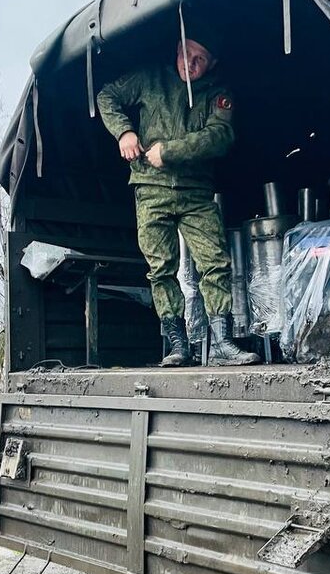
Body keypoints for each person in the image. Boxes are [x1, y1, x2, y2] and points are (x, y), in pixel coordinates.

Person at [97, 30, 260, 367]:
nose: (191, 62)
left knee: (215, 263)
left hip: (196, 192)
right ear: (176, 48)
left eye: (200, 58)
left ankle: (224, 342)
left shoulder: (218, 93)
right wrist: (124, 131)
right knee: (160, 269)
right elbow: (107, 96)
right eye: (186, 53)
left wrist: (169, 152)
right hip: (150, 189)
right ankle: (177, 345)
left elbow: (220, 136)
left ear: (212, 63)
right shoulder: (149, 78)